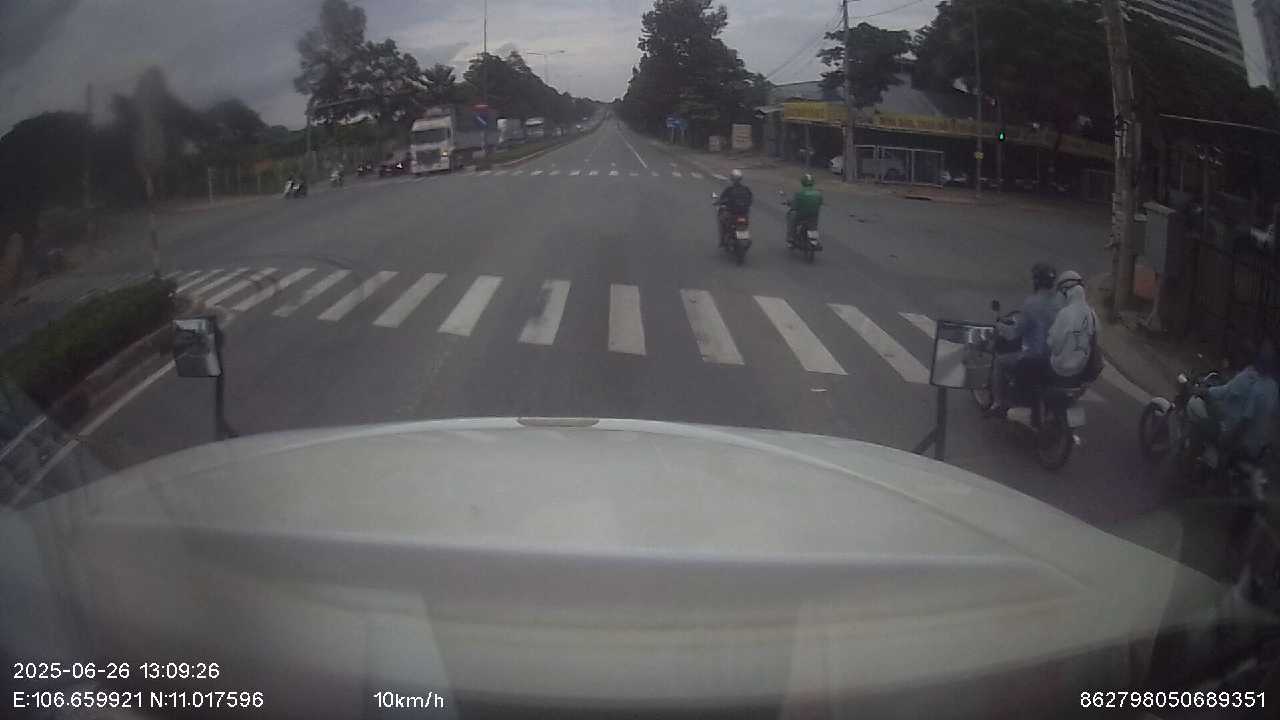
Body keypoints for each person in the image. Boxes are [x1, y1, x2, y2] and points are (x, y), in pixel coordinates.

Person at [1188, 337, 1279, 466]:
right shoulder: (1272, 386)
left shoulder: (1255, 384)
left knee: (1199, 427)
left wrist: (1228, 439)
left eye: (1267, 350)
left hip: (1237, 439)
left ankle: (1183, 466)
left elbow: (1244, 419)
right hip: (1257, 448)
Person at [990, 262, 1061, 412]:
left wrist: (1000, 326)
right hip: (1056, 359)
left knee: (999, 362)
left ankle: (998, 403)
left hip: (1034, 358)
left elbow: (1014, 333)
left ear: (1036, 281)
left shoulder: (1031, 303)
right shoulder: (1059, 303)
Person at [1046, 270, 1098, 384]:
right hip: (1082, 369)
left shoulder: (1064, 313)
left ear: (1066, 292)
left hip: (1060, 370)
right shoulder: (1092, 314)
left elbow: (1055, 347)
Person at [716, 169, 753, 246]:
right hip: (744, 214)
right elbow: (750, 199)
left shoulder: (729, 189)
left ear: (732, 179)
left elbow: (721, 199)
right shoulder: (746, 189)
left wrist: (718, 202)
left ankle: (722, 239)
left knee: (722, 220)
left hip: (732, 213)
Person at [786, 173, 823, 245]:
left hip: (801, 216)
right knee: (814, 225)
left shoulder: (799, 193)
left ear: (802, 182)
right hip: (813, 217)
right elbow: (820, 202)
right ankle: (814, 238)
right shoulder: (818, 193)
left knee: (791, 215)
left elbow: (794, 206)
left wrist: (789, 203)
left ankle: (791, 237)